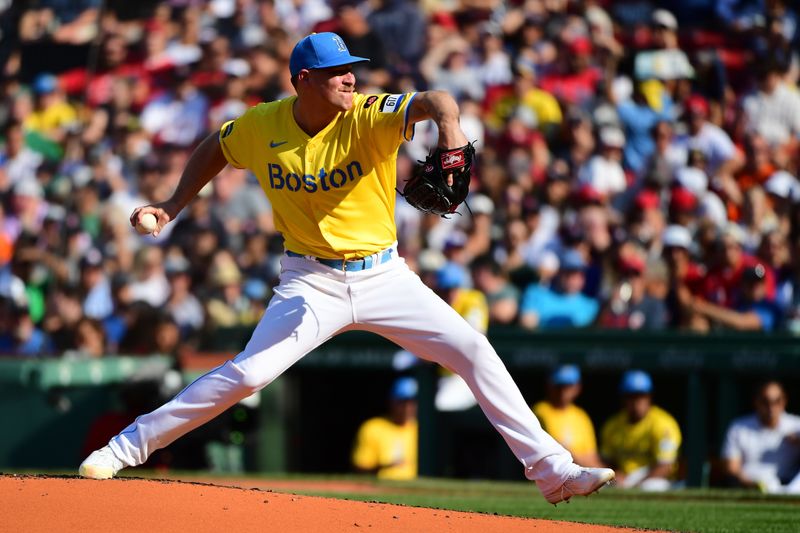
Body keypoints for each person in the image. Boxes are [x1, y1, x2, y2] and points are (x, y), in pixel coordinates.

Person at [78, 32, 614, 504]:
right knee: (249, 374)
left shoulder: (368, 114)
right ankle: (122, 449)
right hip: (310, 282)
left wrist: (449, 129)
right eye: (338, 71)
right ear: (305, 80)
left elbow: (436, 100)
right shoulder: (262, 125)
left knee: (473, 349)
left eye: (352, 67)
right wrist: (172, 204)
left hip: (384, 276)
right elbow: (216, 147)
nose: (350, 78)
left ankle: (553, 472)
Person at [601, 370, 682, 491]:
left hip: (653, 478)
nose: (636, 402)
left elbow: (665, 466)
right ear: (624, 398)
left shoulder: (663, 424)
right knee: (601, 483)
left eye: (641, 396)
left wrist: (638, 484)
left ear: (649, 397)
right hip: (623, 479)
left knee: (651, 486)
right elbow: (605, 460)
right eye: (631, 397)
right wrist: (615, 475)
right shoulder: (613, 425)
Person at [721, 381, 800, 494]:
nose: (771, 407)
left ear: (784, 401)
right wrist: (751, 484)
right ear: (756, 401)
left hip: (789, 485)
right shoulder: (739, 427)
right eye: (765, 401)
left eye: (777, 401)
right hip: (750, 486)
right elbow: (731, 467)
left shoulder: (796, 425)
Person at [532, 365, 602, 467]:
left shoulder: (581, 416)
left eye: (567, 386)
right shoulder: (540, 410)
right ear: (550, 386)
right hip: (556, 472)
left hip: (584, 472)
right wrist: (593, 469)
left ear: (577, 387)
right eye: (559, 386)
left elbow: (591, 455)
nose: (563, 391)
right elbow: (558, 449)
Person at [352, 376, 418, 480]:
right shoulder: (373, 427)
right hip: (379, 489)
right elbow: (360, 468)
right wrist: (386, 466)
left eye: (412, 402)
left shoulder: (423, 431)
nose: (407, 407)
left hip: (415, 489)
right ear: (392, 401)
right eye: (402, 402)